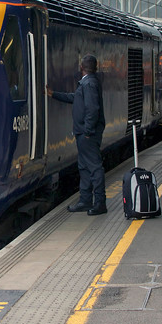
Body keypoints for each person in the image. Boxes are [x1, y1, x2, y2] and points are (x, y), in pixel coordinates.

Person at [47, 54, 107, 216]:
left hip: (87, 134)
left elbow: (92, 109)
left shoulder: (89, 84)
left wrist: (88, 131)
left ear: (81, 68)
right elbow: (76, 99)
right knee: (84, 167)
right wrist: (54, 94)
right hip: (83, 132)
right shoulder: (89, 83)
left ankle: (100, 203)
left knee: (94, 167)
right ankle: (85, 200)